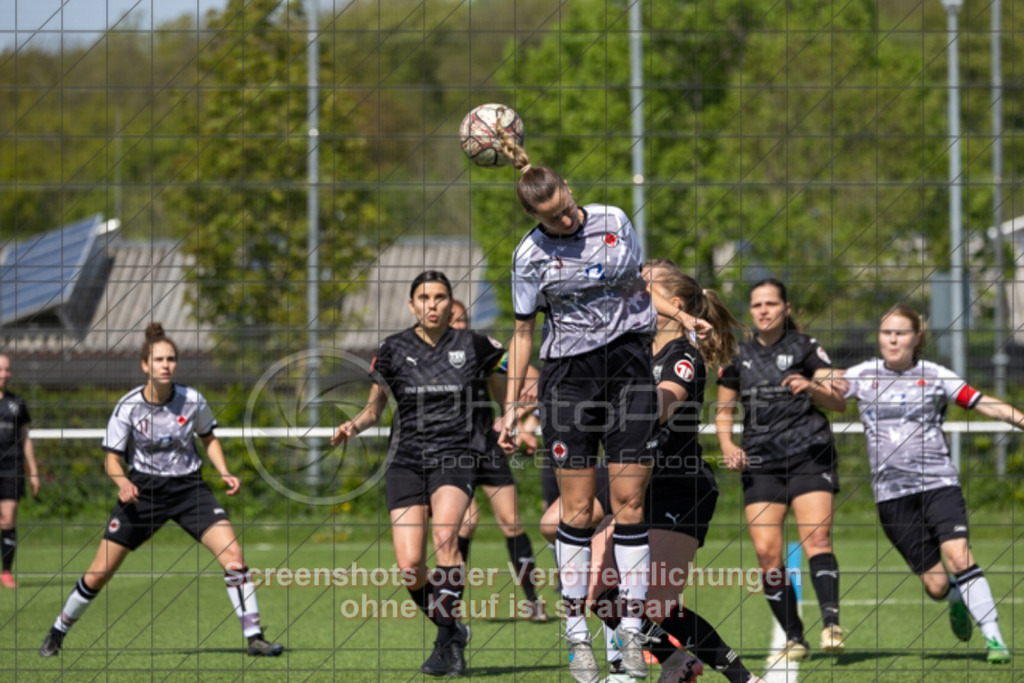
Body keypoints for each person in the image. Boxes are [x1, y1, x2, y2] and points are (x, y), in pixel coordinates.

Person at [495, 135, 708, 683]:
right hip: (569, 381)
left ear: (569, 188)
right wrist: (512, 405)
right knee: (576, 511)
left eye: (566, 207)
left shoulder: (613, 220)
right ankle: (575, 635)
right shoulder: (527, 257)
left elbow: (638, 286)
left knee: (629, 503)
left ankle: (632, 632)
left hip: (629, 371)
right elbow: (523, 332)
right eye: (552, 218)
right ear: (534, 217)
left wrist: (682, 317)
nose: (566, 220)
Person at [39, 324, 282, 658]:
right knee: (99, 572)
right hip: (143, 493)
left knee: (234, 557)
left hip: (189, 490)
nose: (166, 365)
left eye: (170, 359)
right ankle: (57, 631)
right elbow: (111, 460)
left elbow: (209, 438)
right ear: (145, 365)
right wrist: (123, 482)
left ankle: (255, 637)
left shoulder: (192, 400)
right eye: (158, 359)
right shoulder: (128, 407)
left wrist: (224, 471)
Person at [587, 260, 764, 683]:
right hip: (631, 484)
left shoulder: (683, 356)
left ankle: (743, 678)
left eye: (642, 287)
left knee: (658, 603)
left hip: (677, 486)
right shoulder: (630, 353)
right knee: (595, 591)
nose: (630, 294)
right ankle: (674, 660)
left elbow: (661, 406)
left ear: (675, 304)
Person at [331, 272, 506, 677]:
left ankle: (448, 645)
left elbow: (510, 375)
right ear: (412, 305)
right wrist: (352, 426)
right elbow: (374, 409)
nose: (433, 304)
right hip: (406, 460)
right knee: (410, 566)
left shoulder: (475, 344)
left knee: (446, 539)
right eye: (424, 298)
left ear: (451, 303)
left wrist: (509, 416)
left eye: (440, 297)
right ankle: (453, 629)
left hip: (456, 456)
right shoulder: (392, 349)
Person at [842, 304, 1012, 663]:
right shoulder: (862, 375)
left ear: (917, 337)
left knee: (959, 555)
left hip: (938, 484)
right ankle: (956, 599)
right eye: (886, 332)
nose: (892, 339)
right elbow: (826, 389)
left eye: (901, 332)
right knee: (935, 586)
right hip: (891, 496)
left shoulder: (935, 375)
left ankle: (994, 639)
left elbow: (982, 402)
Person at [715, 278, 846, 666]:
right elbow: (724, 410)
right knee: (766, 554)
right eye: (757, 305)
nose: (763, 310)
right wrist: (727, 445)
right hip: (761, 462)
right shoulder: (737, 354)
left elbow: (838, 403)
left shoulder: (805, 347)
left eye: (771, 303)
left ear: (785, 308)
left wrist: (812, 387)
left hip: (809, 455)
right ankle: (794, 637)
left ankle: (832, 625)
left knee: (817, 538)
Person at [449, 299, 548, 622]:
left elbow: (533, 378)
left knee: (512, 521)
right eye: (452, 320)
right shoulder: (429, 359)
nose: (458, 325)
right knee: (466, 522)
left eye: (462, 319)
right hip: (451, 451)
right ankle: (451, 605)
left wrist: (516, 422)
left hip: (487, 447)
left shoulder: (481, 352)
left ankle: (532, 602)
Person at [0, 353, 39, 589]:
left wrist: (33, 471)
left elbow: (25, 439)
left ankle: (6, 572)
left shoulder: (17, 403)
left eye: (7, 370)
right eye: (0, 370)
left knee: (9, 515)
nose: (4, 374)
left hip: (11, 467)